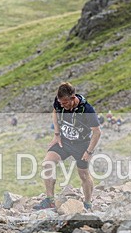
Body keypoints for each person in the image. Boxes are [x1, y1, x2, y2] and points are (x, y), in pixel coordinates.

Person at [34, 82, 101, 211]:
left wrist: (89, 151)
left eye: (65, 103)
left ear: (73, 97)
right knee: (47, 164)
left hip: (82, 145)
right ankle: (50, 200)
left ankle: (87, 204)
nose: (63, 105)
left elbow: (97, 132)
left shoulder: (87, 110)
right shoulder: (59, 102)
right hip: (64, 142)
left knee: (84, 175)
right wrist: (56, 134)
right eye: (61, 103)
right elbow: (54, 112)